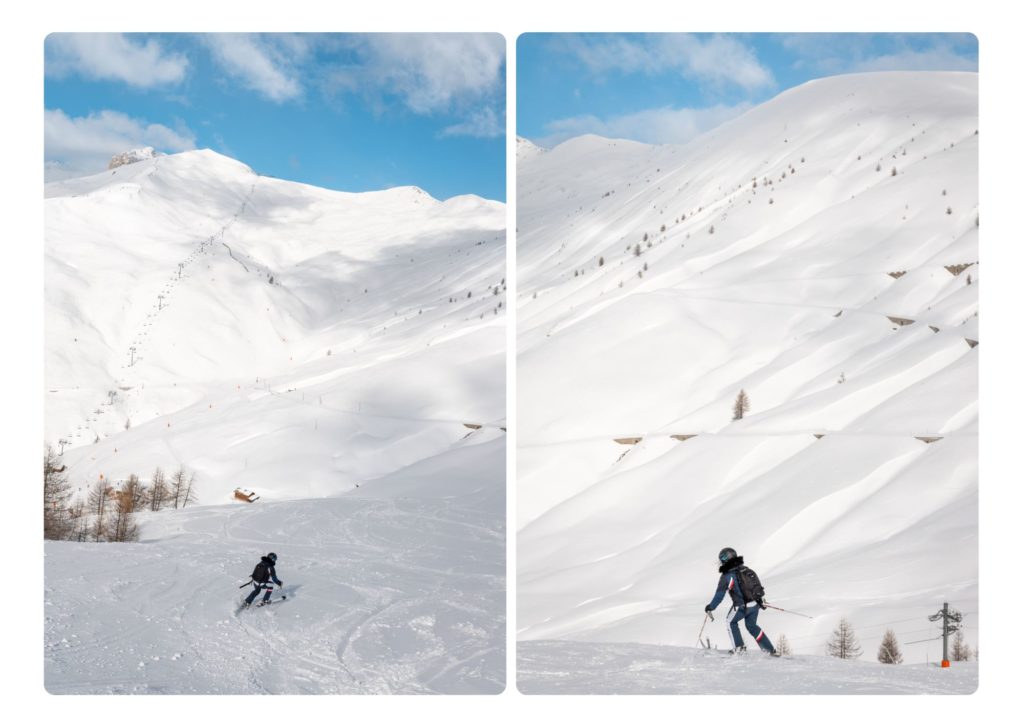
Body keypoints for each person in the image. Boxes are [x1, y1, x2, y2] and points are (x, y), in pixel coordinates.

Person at [704, 547, 776, 655]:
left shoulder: (727, 576)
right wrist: (759, 601)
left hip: (742, 606)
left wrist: (711, 607)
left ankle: (739, 648)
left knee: (730, 621)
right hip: (755, 604)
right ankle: (769, 650)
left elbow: (719, 595)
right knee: (752, 626)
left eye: (721, 559)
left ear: (725, 560)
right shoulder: (746, 569)